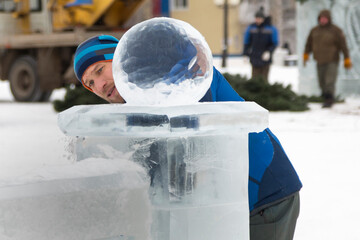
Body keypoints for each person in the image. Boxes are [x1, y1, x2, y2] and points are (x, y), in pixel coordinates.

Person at [74, 33, 302, 240]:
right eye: (90, 83)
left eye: (100, 70)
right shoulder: (138, 105)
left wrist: (190, 49)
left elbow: (182, 53)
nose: (100, 86)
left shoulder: (175, 74)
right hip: (225, 204)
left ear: (122, 59)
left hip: (264, 196)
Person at [303, 9, 352, 108]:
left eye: (325, 18)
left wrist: (347, 58)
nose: (323, 20)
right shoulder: (314, 30)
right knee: (321, 81)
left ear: (329, 19)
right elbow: (309, 43)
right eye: (321, 18)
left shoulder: (336, 31)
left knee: (329, 80)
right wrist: (306, 54)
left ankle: (329, 99)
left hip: (332, 60)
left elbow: (343, 45)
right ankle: (325, 95)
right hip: (319, 60)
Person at [243, 7, 278, 82]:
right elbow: (246, 42)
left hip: (265, 58)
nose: (257, 20)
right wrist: (245, 53)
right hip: (254, 57)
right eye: (256, 18)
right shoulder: (251, 28)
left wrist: (269, 51)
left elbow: (274, 43)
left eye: (259, 18)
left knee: (264, 79)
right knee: (254, 79)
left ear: (263, 19)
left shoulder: (270, 29)